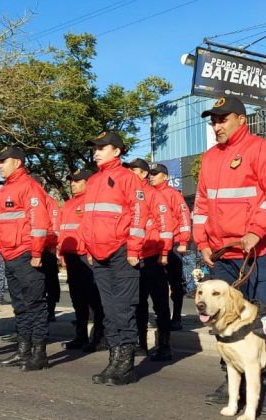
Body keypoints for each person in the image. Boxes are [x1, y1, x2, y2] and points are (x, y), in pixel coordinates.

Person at [193, 97, 266, 413]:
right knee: (226, 319)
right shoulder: (209, 158)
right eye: (213, 121)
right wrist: (202, 242)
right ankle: (231, 376)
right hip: (223, 255)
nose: (217, 126)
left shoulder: (263, 150)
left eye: (222, 120)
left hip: (259, 252)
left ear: (240, 119)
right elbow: (201, 206)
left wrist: (256, 230)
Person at [81, 131, 149, 386]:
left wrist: (133, 249)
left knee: (123, 309)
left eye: (101, 147)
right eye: (94, 147)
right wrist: (88, 247)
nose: (96, 151)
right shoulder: (94, 181)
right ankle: (114, 359)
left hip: (121, 253)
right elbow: (88, 218)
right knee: (109, 312)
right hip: (98, 256)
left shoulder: (128, 178)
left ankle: (126, 365)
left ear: (117, 151)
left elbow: (139, 215)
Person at [0, 146, 53, 371]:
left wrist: (37, 253)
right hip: (9, 255)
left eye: (3, 161)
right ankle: (23, 351)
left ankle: (39, 354)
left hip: (27, 254)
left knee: (35, 305)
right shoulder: (5, 190)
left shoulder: (30, 187)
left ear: (17, 162)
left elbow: (39, 224)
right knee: (20, 306)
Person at [125, 158, 175, 361]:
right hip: (132, 258)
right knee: (137, 303)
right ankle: (140, 343)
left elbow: (166, 226)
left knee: (160, 302)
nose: (129, 174)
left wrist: (164, 254)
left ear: (144, 174)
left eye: (134, 170)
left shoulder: (154, 195)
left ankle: (164, 345)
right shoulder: (127, 195)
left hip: (153, 256)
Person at [57, 168, 106, 352]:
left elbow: (94, 230)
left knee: (94, 298)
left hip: (87, 256)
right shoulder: (68, 204)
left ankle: (99, 337)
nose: (72, 184)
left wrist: (93, 252)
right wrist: (61, 253)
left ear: (87, 182)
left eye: (77, 181)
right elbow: (63, 232)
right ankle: (81, 336)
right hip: (71, 257)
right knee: (77, 299)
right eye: (71, 181)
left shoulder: (91, 202)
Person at [149, 162, 192, 330]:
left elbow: (184, 217)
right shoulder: (149, 194)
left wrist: (183, 242)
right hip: (156, 245)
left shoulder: (173, 194)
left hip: (173, 244)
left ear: (165, 177)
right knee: (158, 284)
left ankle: (177, 318)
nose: (151, 176)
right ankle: (162, 316)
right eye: (150, 174)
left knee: (175, 283)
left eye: (155, 174)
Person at [42, 191, 61, 322]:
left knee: (50, 281)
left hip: (48, 248)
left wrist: (53, 245)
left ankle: (51, 310)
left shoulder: (49, 201)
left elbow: (55, 225)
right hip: (32, 247)